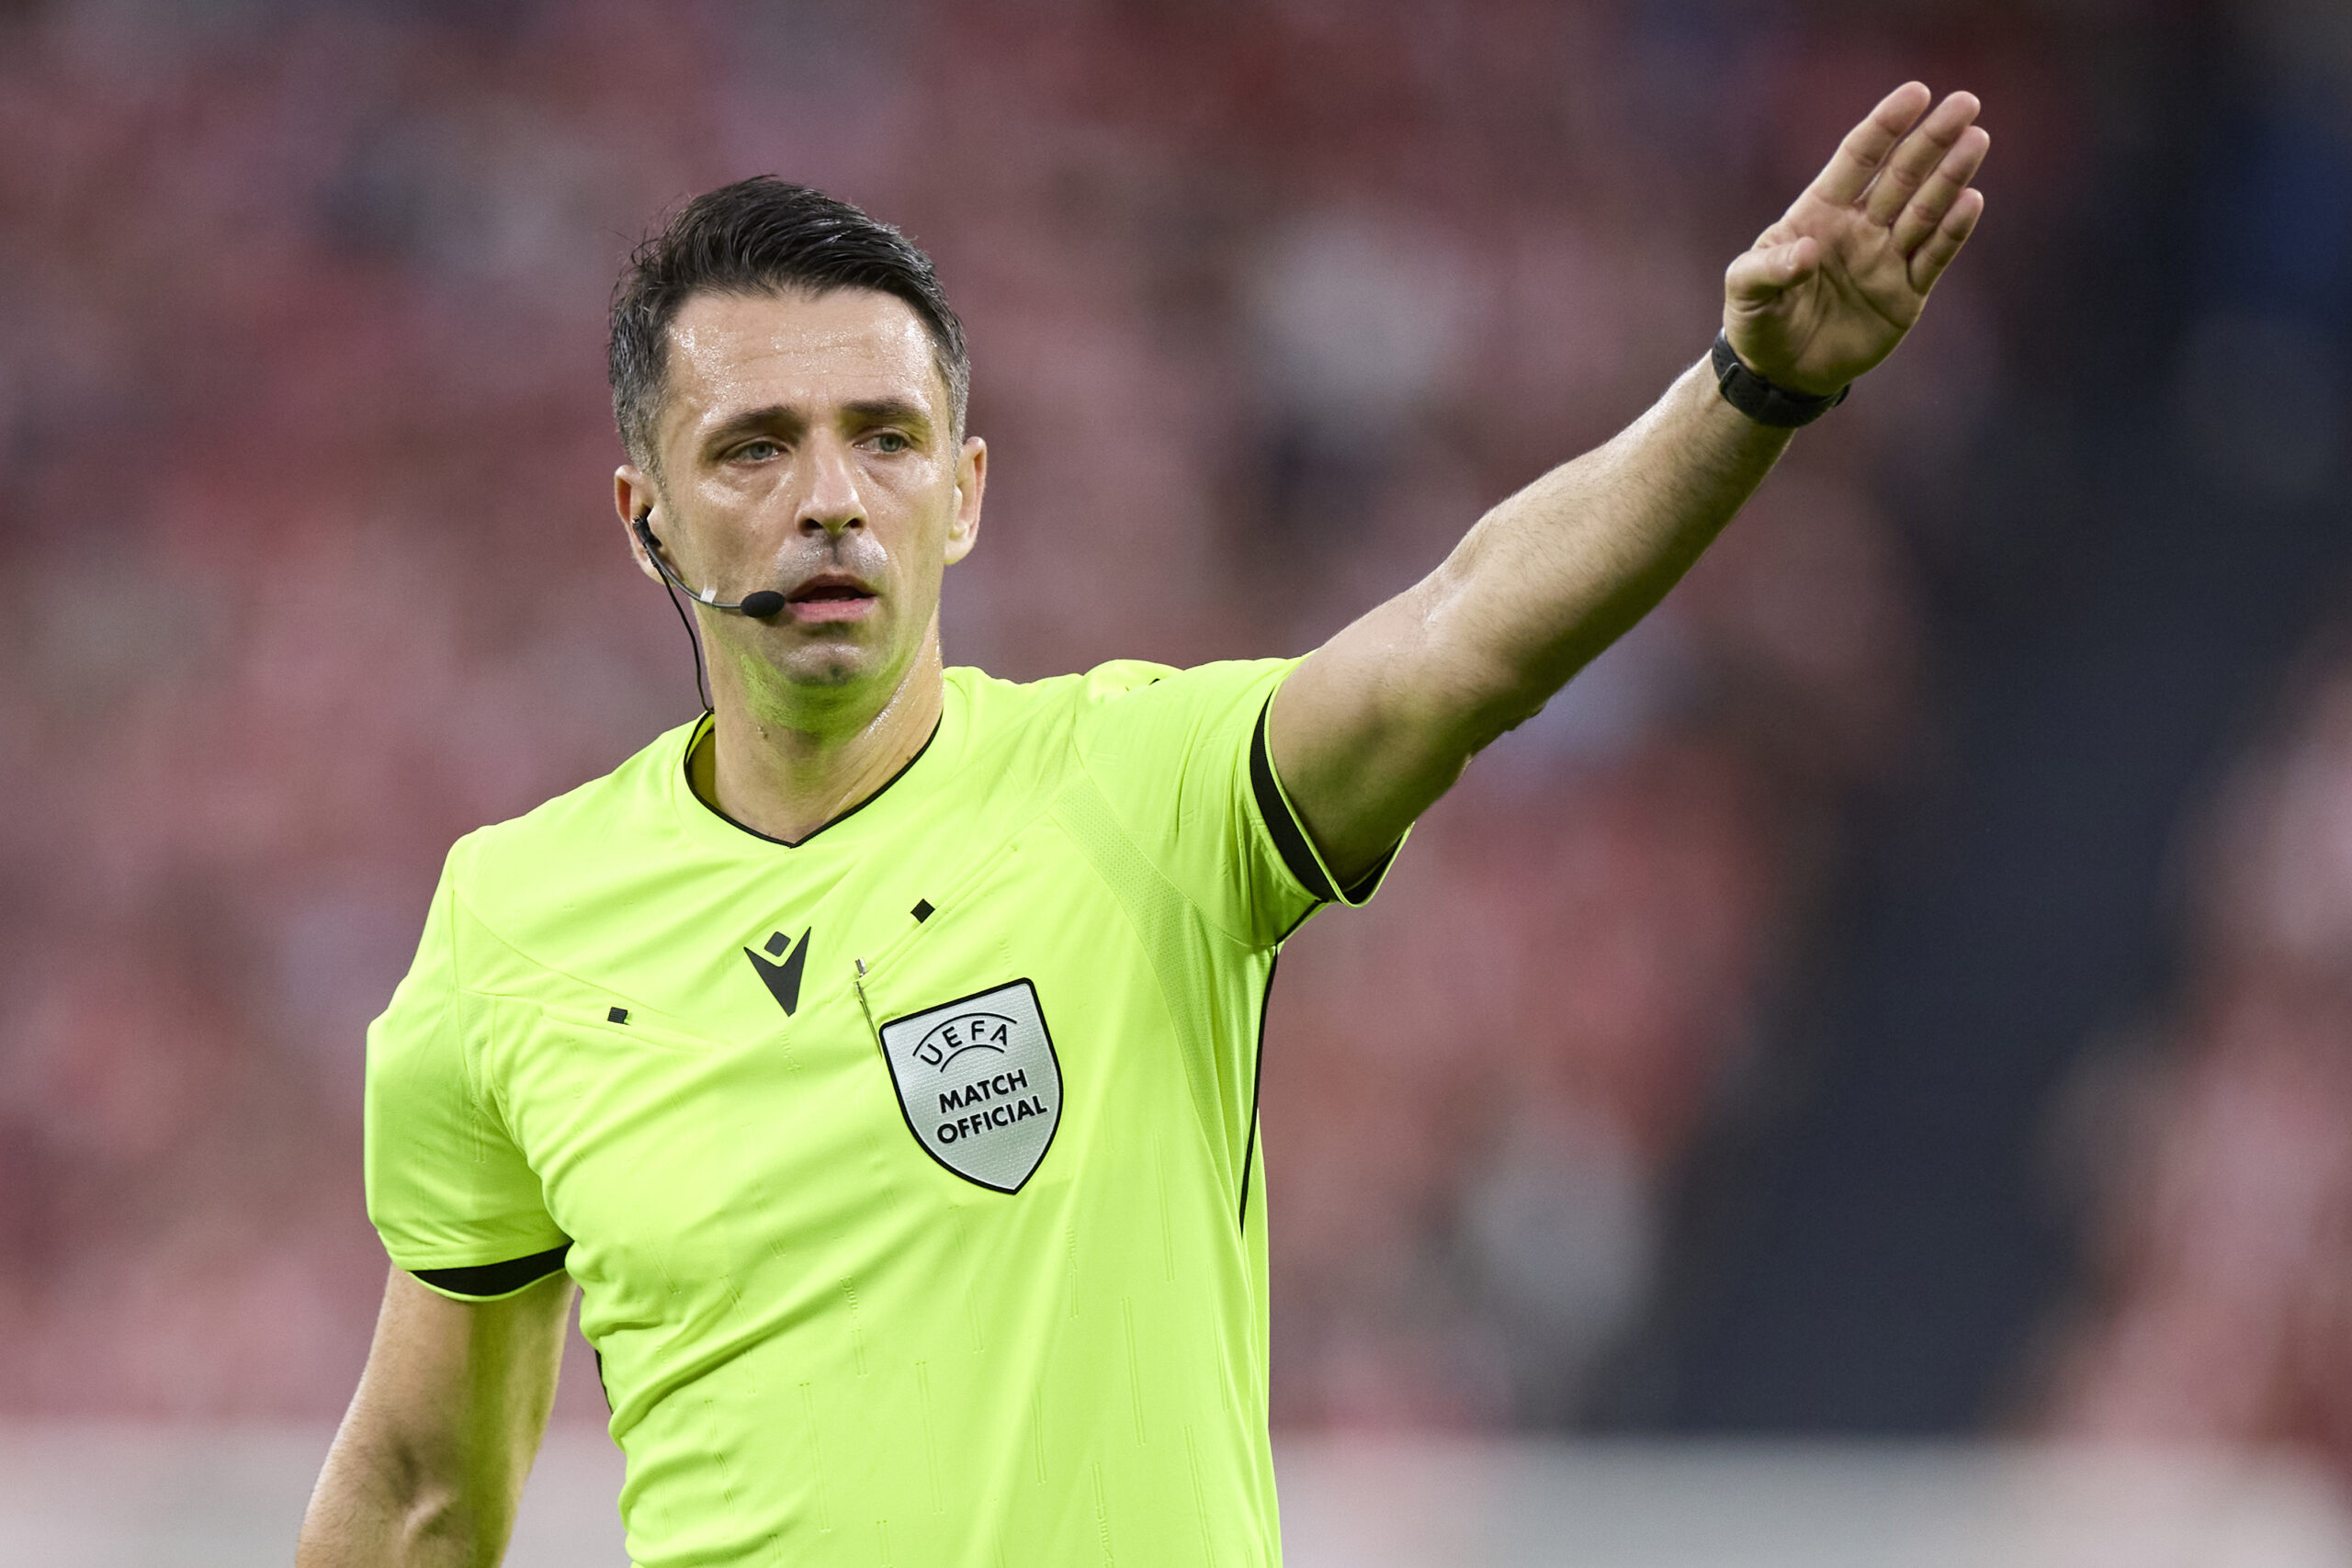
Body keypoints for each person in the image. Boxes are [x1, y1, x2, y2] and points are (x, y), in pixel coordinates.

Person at [297, 81, 1987, 1568]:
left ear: (962, 493)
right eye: (753, 447)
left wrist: (1745, 393)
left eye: (885, 438)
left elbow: (1461, 635)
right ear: (644, 518)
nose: (830, 497)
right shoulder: (514, 925)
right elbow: (427, 1493)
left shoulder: (1140, 791)